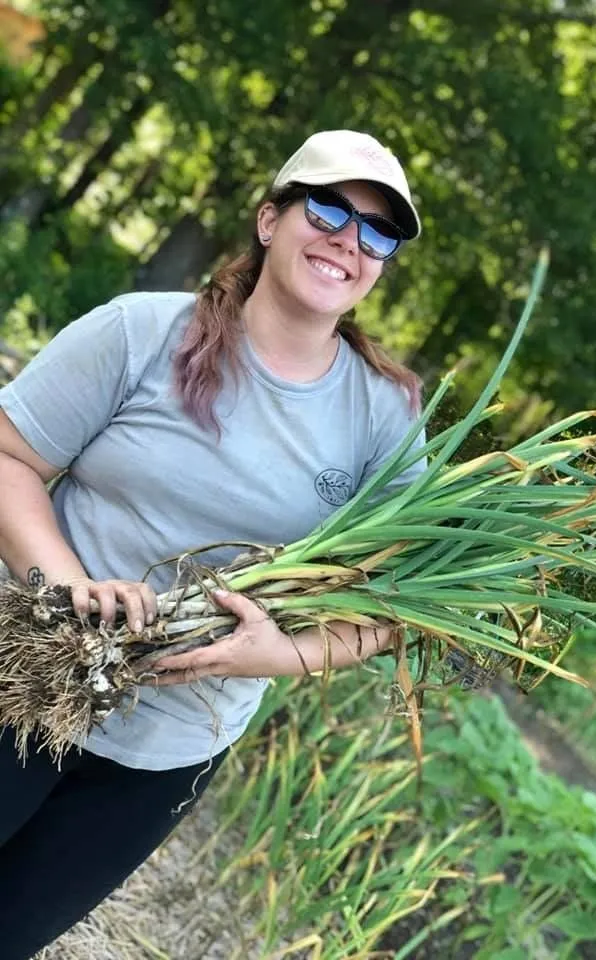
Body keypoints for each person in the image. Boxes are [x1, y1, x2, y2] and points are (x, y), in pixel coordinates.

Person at [0, 128, 425, 958]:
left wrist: (277, 655)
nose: (350, 239)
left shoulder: (384, 420)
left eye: (379, 232)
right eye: (330, 208)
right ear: (271, 219)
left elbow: (397, 611)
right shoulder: (141, 333)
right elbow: (10, 457)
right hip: (19, 677)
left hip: (162, 758)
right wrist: (67, 587)